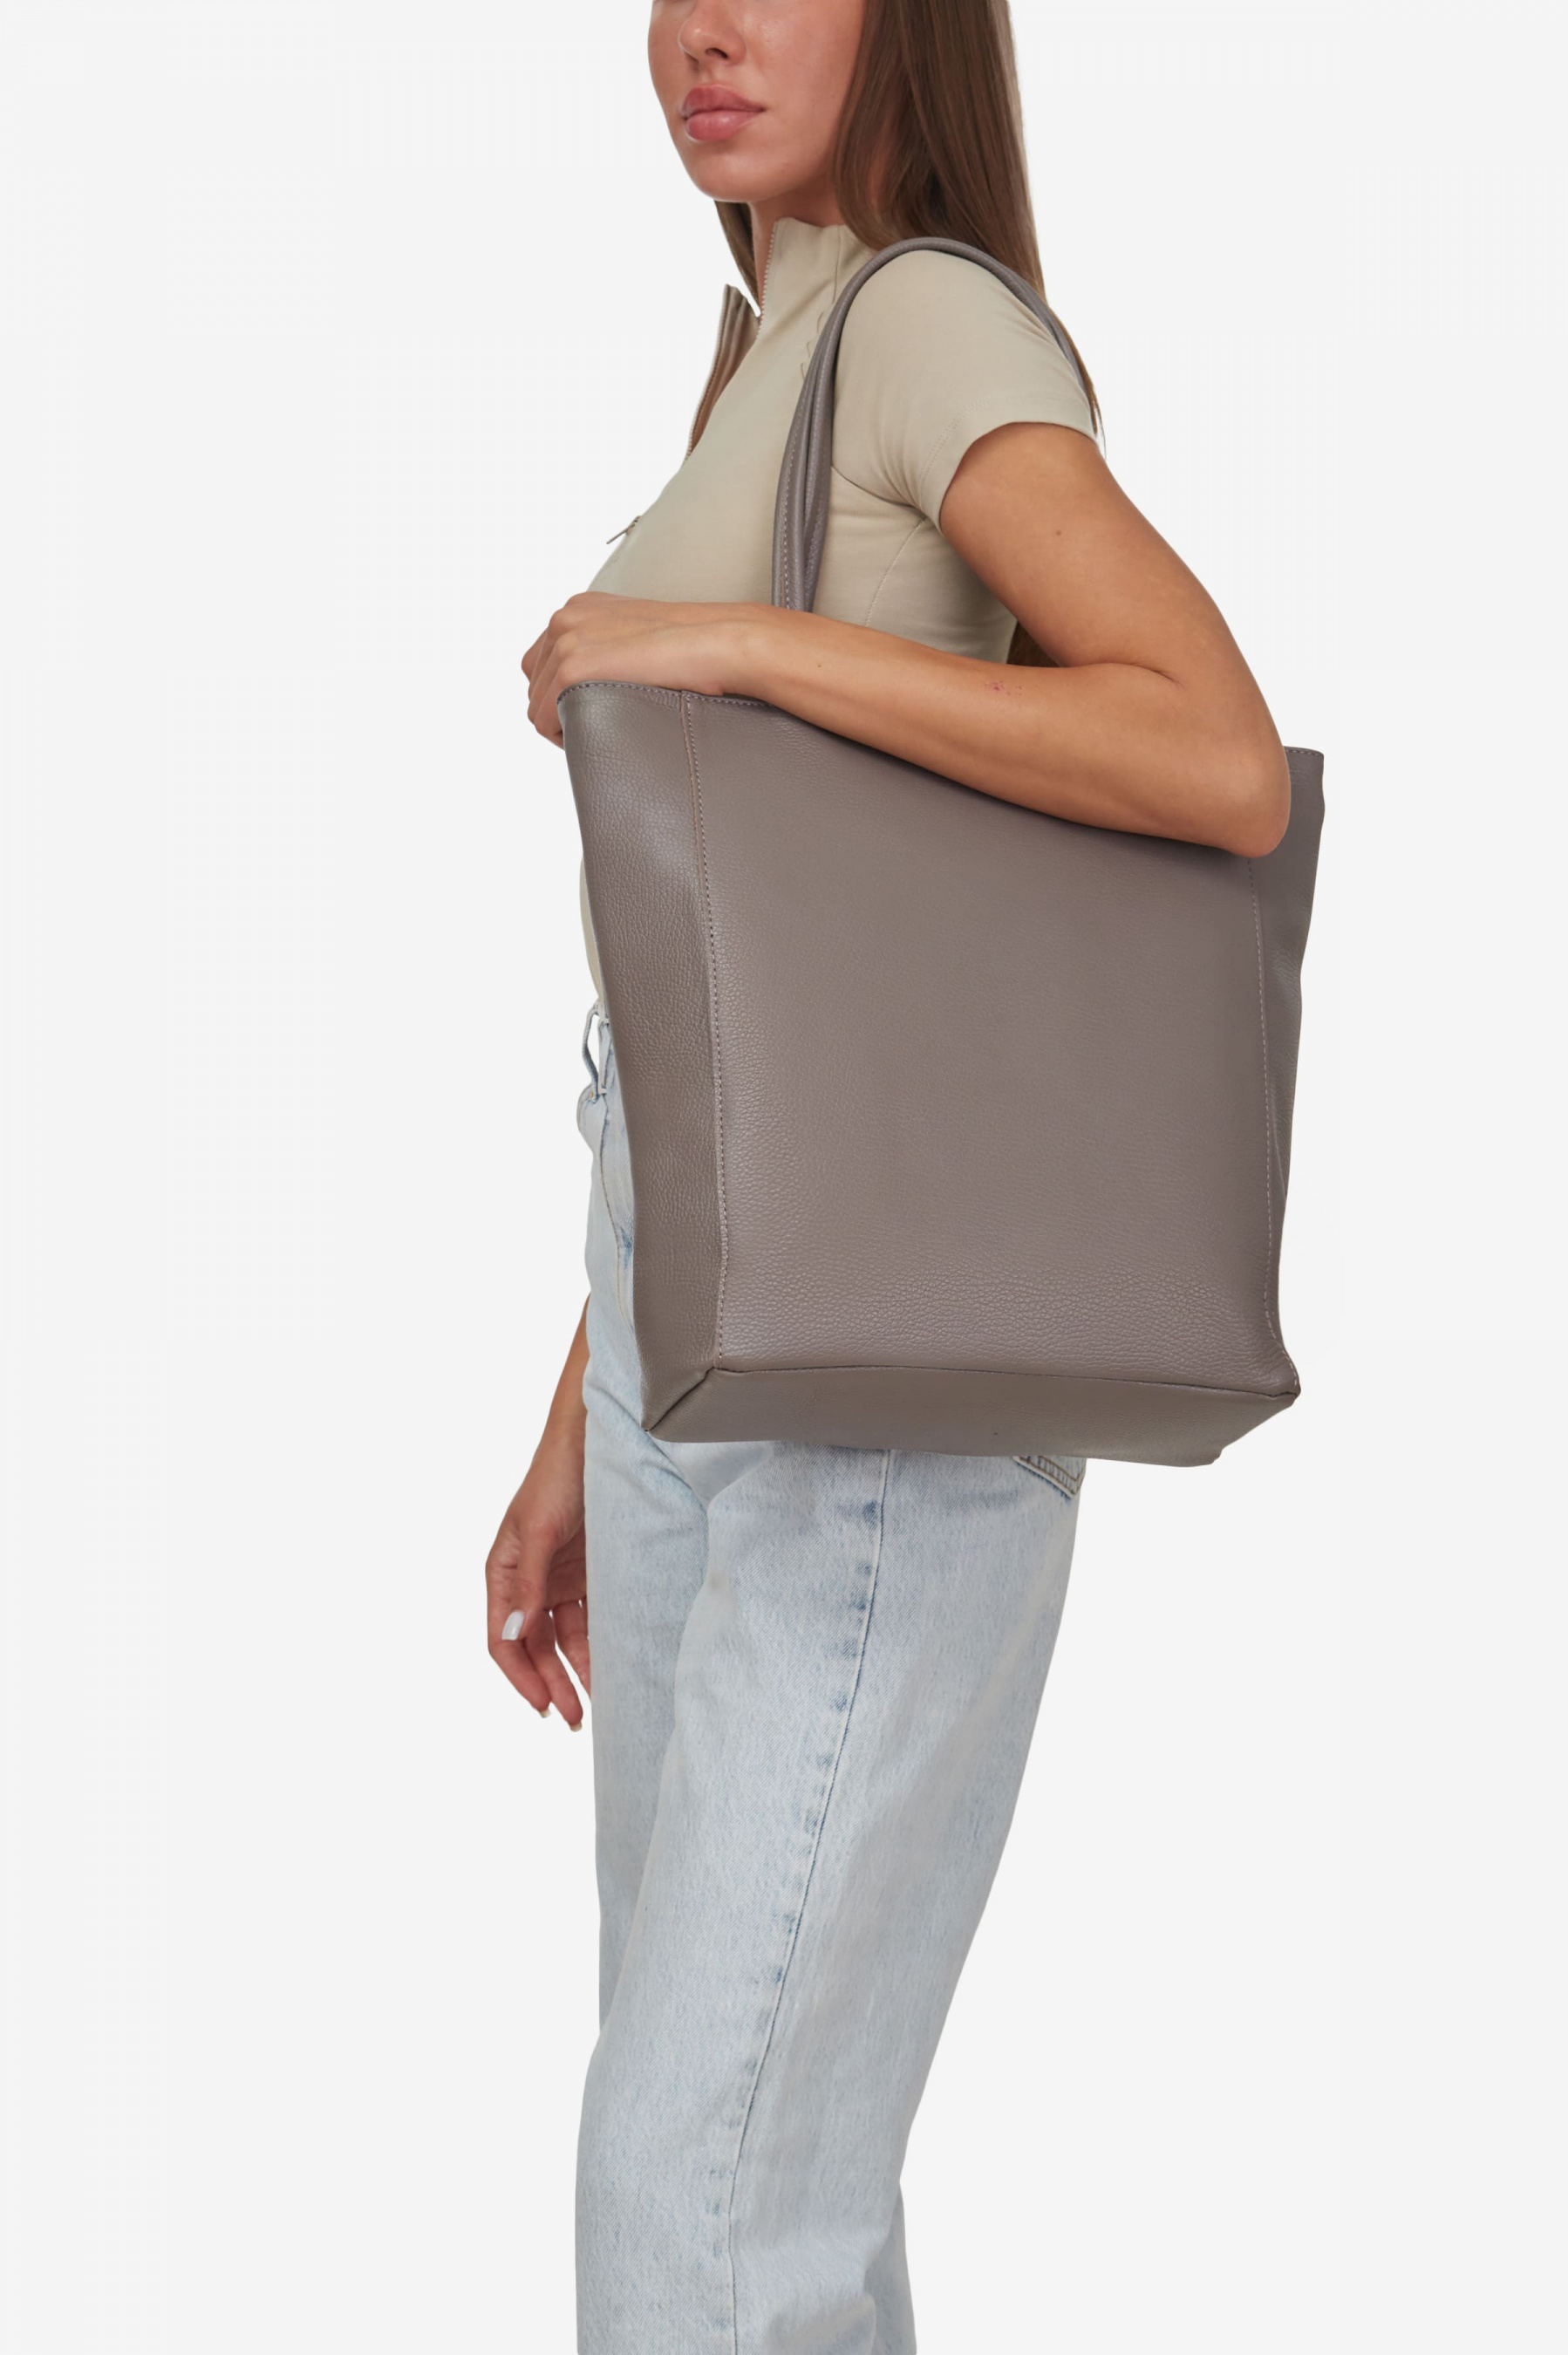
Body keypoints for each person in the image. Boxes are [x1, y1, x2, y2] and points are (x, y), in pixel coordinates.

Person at [486, 3, 1288, 2345]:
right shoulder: (767, 356)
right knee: (743, 2159)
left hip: (878, 1394)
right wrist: (585, 1400)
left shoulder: (926, 323)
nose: (703, 29)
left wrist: (724, 645)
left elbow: (1213, 751)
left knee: (702, 2188)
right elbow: (750, 980)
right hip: (704, 1318)